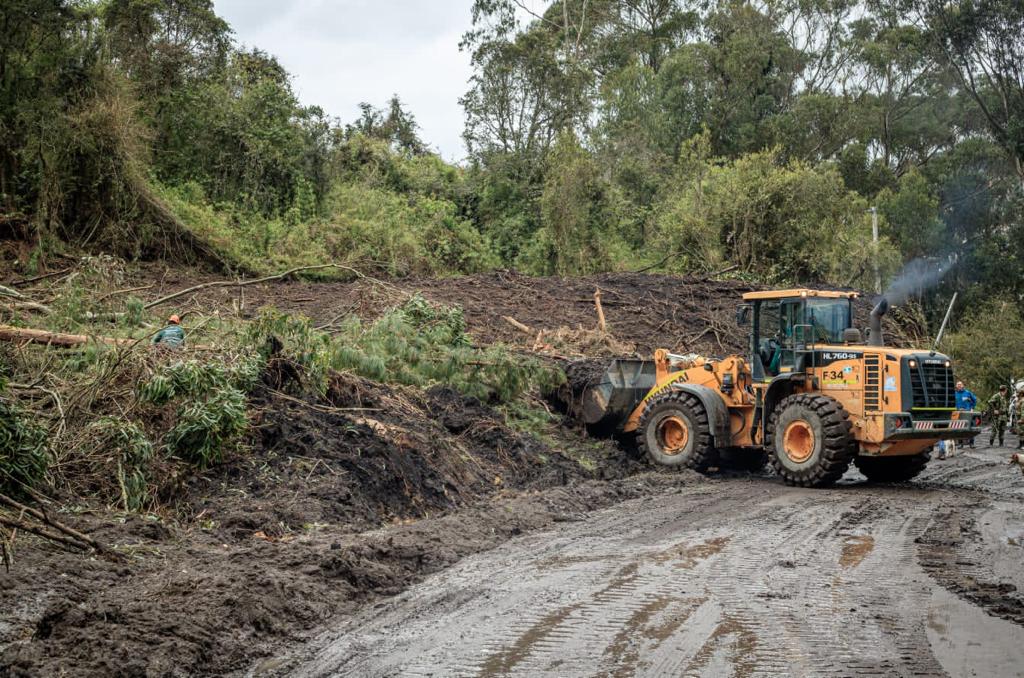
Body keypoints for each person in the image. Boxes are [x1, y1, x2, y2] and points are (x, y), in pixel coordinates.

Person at [955, 380, 978, 452]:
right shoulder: (954, 394)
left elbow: (975, 400)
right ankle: (960, 443)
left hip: (967, 412)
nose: (959, 385)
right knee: (959, 428)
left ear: (963, 385)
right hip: (958, 412)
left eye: (960, 384)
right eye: (958, 384)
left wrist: (972, 408)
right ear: (956, 386)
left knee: (970, 427)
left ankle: (971, 443)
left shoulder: (967, 393)